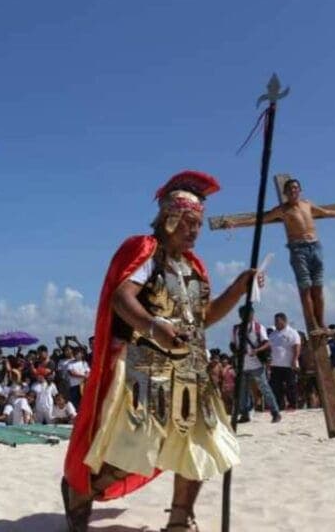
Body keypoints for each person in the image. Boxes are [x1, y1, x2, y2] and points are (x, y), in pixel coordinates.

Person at [62, 171, 263, 532]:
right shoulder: (145, 251)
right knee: (139, 447)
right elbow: (122, 298)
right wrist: (154, 326)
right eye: (189, 223)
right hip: (146, 365)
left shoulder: (194, 267)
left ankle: (180, 520)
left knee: (198, 444)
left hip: (190, 368)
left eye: (198, 224)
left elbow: (203, 317)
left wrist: (238, 287)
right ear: (170, 218)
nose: (195, 231)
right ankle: (83, 492)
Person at [222, 178, 335, 334]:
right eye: (290, 189)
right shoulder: (282, 210)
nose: (293, 191)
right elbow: (259, 219)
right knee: (305, 288)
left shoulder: (307, 204)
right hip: (298, 249)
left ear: (300, 190)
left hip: (316, 246)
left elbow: (325, 212)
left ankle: (322, 324)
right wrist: (235, 223)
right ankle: (313, 325)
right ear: (285, 193)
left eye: (296, 188)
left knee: (318, 287)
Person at [230, 306, 281, 423]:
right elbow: (232, 344)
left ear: (252, 314)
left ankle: (275, 412)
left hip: (256, 364)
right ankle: (245, 414)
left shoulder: (258, 327)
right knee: (243, 391)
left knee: (264, 388)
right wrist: (237, 352)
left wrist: (257, 350)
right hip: (242, 364)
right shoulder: (235, 329)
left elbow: (267, 343)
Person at [268, 313, 302, 410]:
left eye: (277, 321)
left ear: (284, 321)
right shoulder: (273, 334)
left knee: (290, 385)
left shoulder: (292, 333)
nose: (276, 323)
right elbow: (269, 347)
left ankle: (292, 404)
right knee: (275, 386)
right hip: (275, 364)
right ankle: (279, 405)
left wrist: (294, 360)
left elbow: (297, 347)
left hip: (288, 364)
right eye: (275, 321)